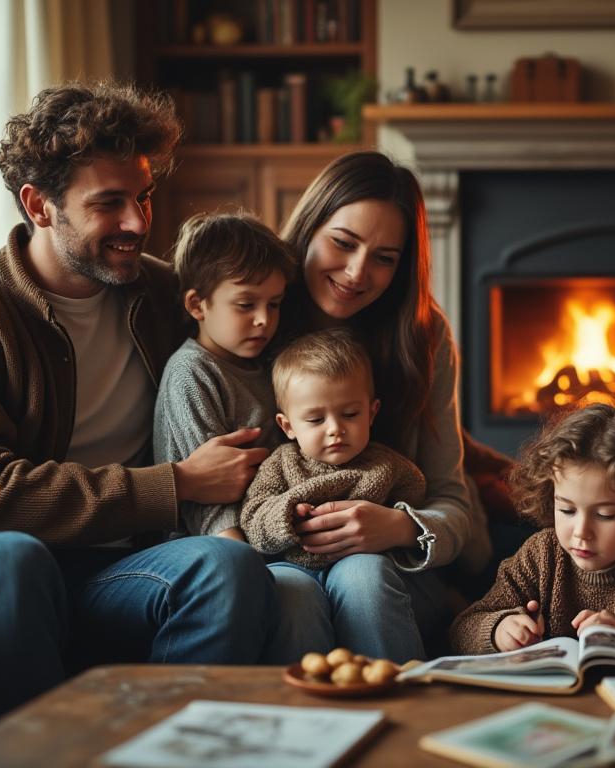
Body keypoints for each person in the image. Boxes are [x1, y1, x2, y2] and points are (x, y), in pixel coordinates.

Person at [0, 82, 281, 733]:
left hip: (132, 564)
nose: (138, 222)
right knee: (10, 557)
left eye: (143, 196)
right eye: (108, 204)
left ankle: (175, 750)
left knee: (227, 564)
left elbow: (280, 354)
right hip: (13, 562)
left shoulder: (166, 294)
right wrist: (177, 483)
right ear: (38, 206)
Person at [272, 150, 491, 655]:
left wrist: (400, 526)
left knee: (363, 576)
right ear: (308, 227)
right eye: (343, 243)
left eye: (384, 258)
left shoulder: (422, 337)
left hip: (396, 566)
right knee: (291, 594)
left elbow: (451, 498)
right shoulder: (255, 316)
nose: (356, 272)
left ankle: (398, 701)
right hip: (285, 563)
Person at [239, 327, 427, 661]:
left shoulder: (387, 465)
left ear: (372, 412)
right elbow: (253, 518)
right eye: (315, 419)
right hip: (293, 564)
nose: (335, 429)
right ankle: (305, 686)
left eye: (350, 414)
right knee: (288, 593)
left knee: (367, 578)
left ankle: (393, 677)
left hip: (361, 559)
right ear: (287, 426)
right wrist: (285, 514)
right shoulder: (280, 464)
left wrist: (394, 521)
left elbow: (415, 495)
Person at [448, 404, 615, 654]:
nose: (581, 532)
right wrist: (499, 630)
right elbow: (463, 628)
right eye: (567, 510)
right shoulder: (541, 555)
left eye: (605, 515)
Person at [152, 211, 300, 540]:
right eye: (246, 305)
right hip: (214, 546)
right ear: (197, 305)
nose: (264, 320)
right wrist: (246, 562)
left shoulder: (267, 364)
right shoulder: (191, 372)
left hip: (274, 531)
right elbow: (209, 503)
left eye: (274, 304)